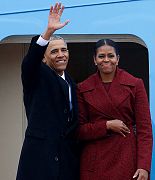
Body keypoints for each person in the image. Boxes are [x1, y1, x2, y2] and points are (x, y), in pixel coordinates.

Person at [17, 3, 79, 180]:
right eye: (54, 51)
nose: (61, 55)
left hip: (66, 163)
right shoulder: (36, 75)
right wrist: (47, 33)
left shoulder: (71, 83)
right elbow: (30, 62)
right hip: (39, 161)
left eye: (64, 50)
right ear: (44, 58)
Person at [77, 39, 153, 180]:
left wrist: (143, 166)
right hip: (95, 162)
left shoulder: (135, 84)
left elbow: (145, 130)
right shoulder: (83, 88)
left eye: (111, 56)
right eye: (101, 56)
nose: (106, 60)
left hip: (125, 158)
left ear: (117, 59)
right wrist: (106, 126)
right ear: (94, 60)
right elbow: (79, 130)